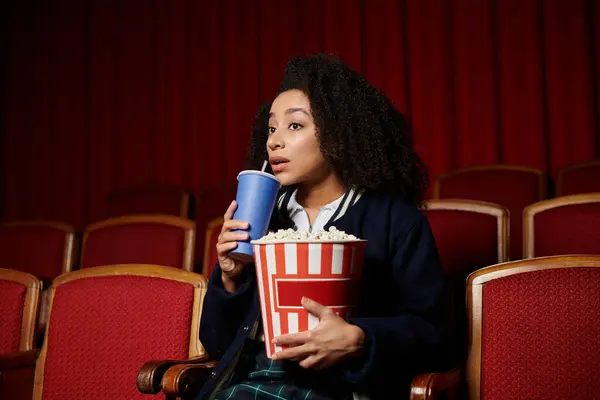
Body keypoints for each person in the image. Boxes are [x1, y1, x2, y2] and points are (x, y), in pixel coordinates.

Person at [197, 54, 447, 400]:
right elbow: (216, 344)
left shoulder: (395, 219)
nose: (274, 142)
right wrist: (230, 279)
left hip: (345, 388)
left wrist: (360, 338)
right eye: (272, 128)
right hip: (252, 384)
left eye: (295, 126)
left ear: (338, 136)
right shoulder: (260, 219)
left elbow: (434, 334)